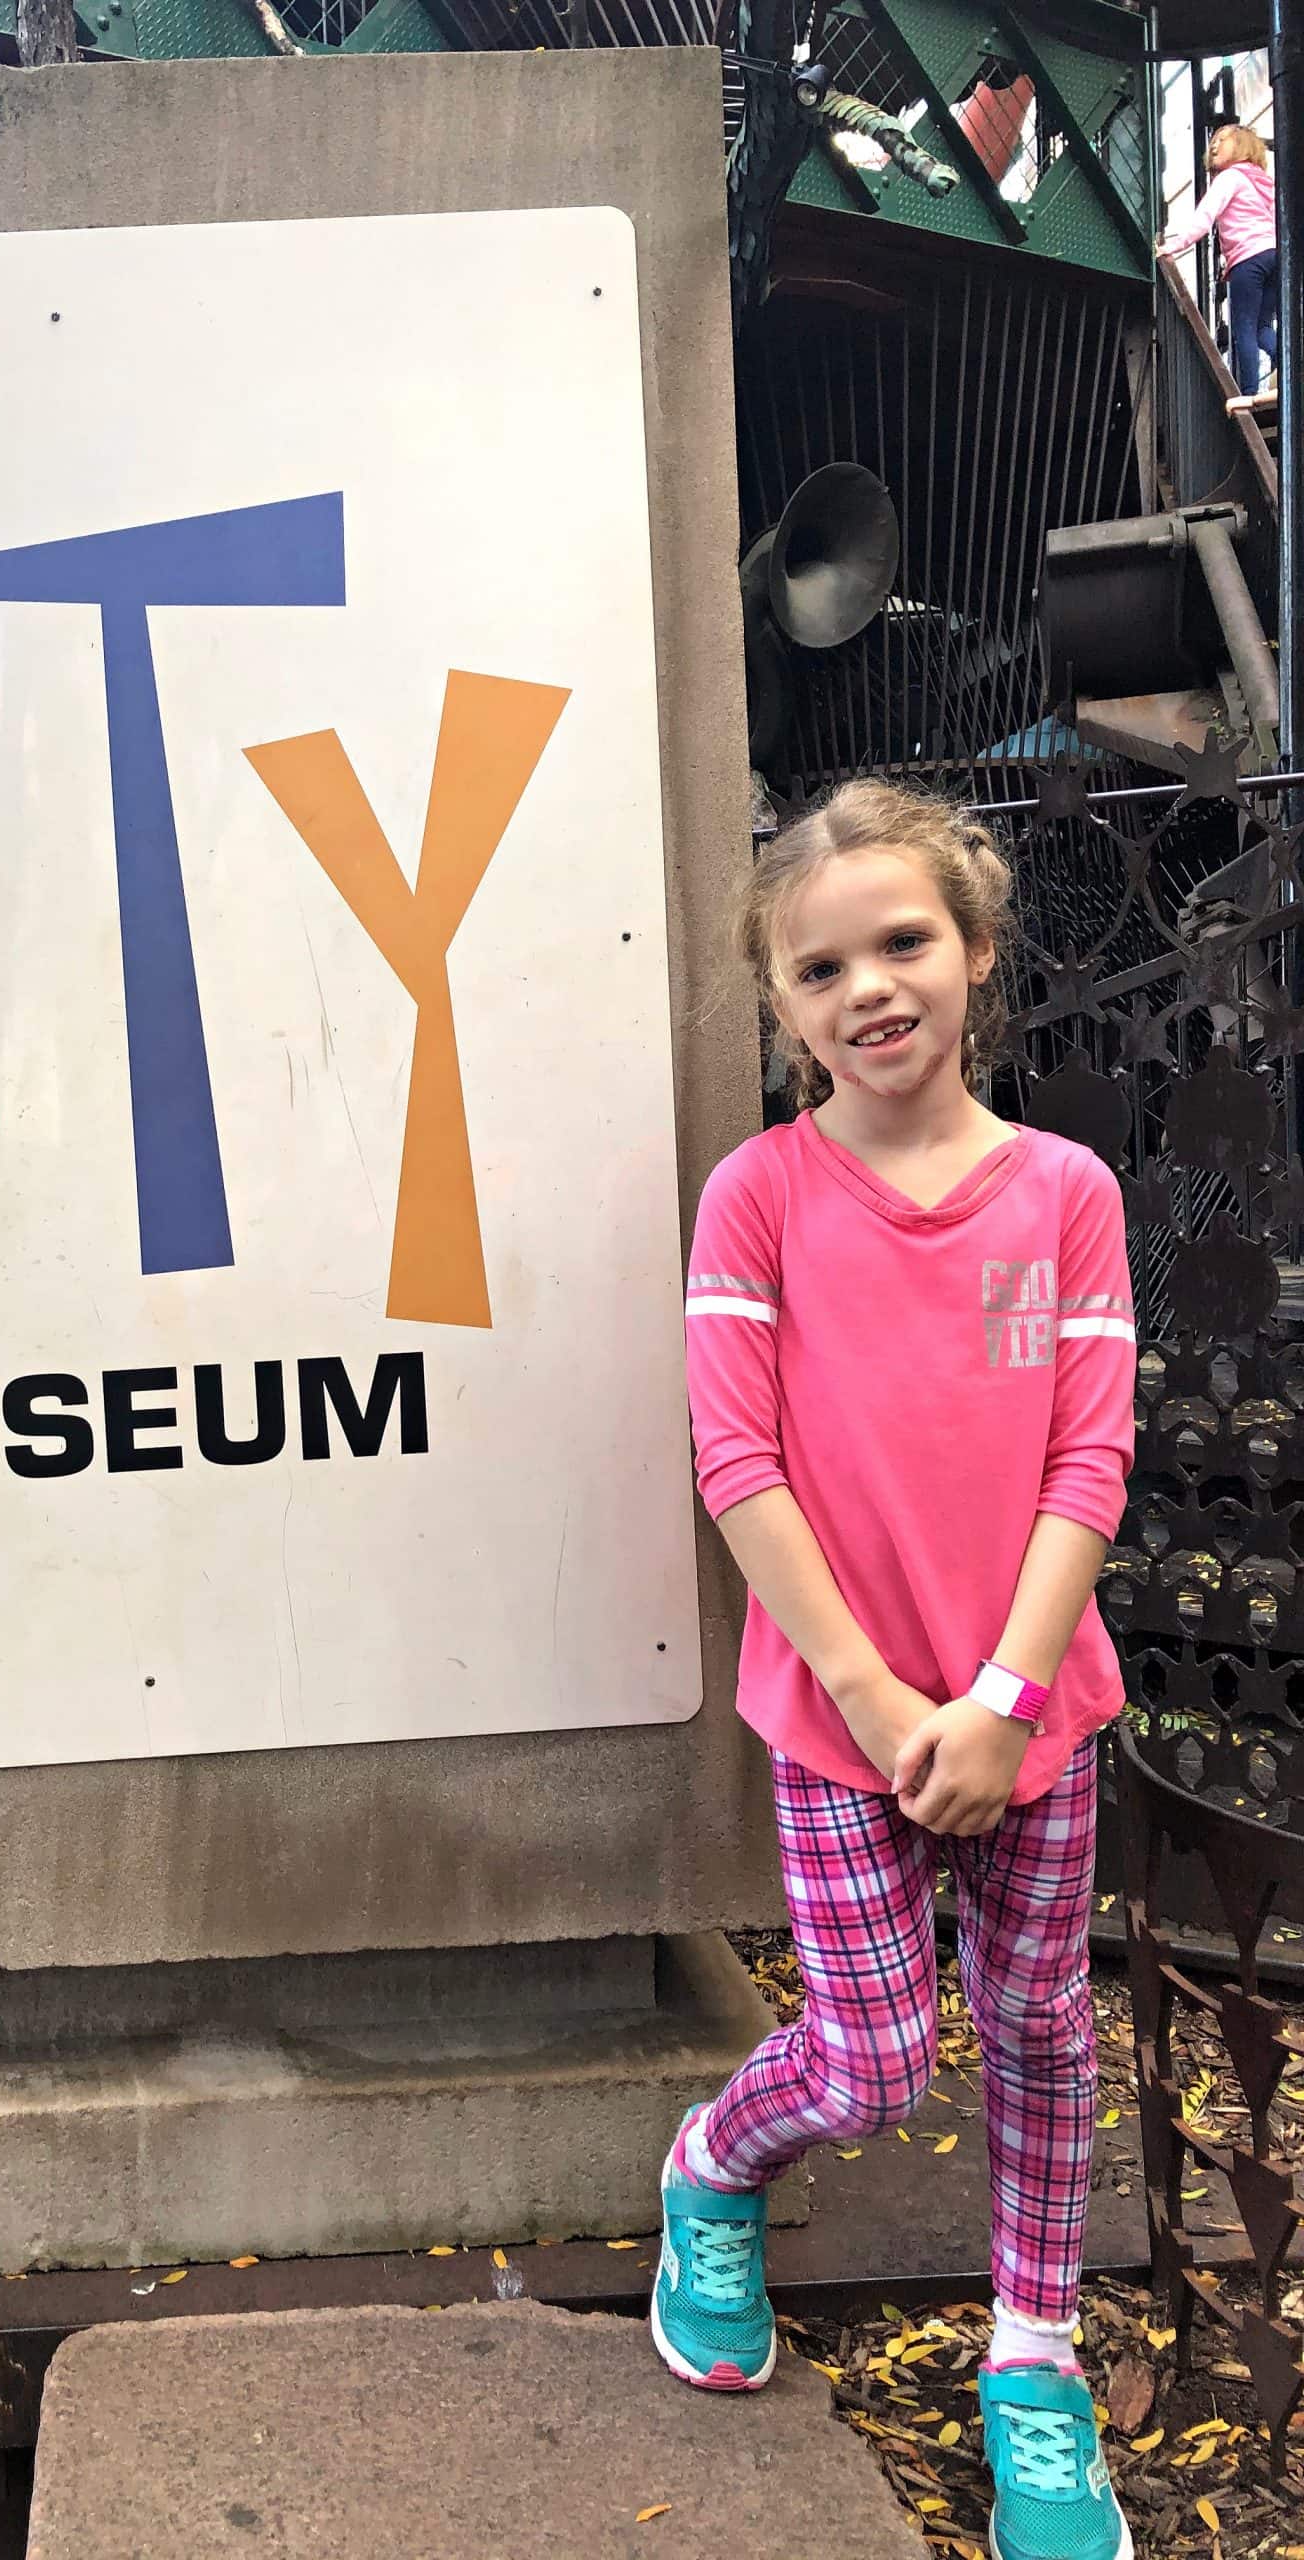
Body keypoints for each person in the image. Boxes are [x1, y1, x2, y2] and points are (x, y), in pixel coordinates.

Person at [652, 781, 1136, 2560]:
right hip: (842, 1719)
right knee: (869, 2063)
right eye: (820, 965)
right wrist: (878, 1704)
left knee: (1034, 2027)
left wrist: (1003, 1705)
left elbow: (1086, 1463)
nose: (868, 986)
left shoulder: (1065, 1198)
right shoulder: (761, 1199)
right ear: (782, 1007)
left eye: (904, 942)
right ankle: (714, 2165)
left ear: (977, 954)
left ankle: (1034, 2361)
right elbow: (739, 1466)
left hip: (1033, 1717)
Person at [1160, 125, 1278, 399]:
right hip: (1274, 256)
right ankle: (1290, 367)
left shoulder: (1229, 178)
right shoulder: (1263, 180)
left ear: (1242, 146)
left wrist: (1173, 246)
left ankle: (1248, 392)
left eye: (1223, 140)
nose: (1214, 145)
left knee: (1244, 328)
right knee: (1262, 327)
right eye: (1213, 140)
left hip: (1248, 259)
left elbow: (1205, 217)